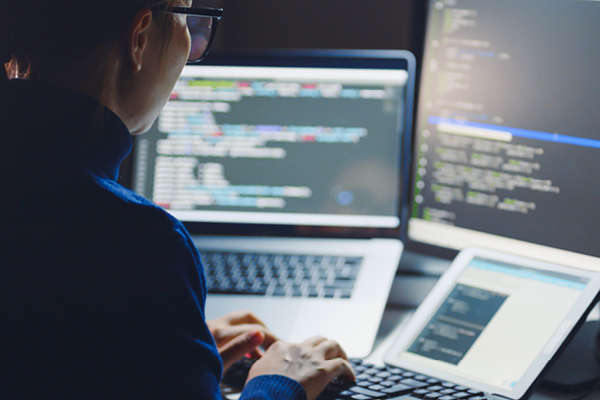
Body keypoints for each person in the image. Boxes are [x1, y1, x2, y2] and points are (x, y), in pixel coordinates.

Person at [0, 1, 355, 399]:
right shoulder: (138, 240)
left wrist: (168, 350)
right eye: (187, 20)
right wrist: (280, 383)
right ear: (140, 36)